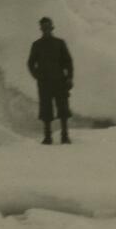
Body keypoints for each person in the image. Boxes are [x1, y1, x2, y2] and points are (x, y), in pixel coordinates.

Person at [27, 16, 74, 145]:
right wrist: (37, 76)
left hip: (60, 81)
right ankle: (47, 137)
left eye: (48, 27)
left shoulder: (60, 43)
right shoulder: (37, 45)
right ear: (41, 29)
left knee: (63, 108)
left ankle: (65, 136)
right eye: (43, 27)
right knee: (46, 109)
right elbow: (31, 63)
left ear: (52, 27)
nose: (46, 29)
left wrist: (69, 77)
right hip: (44, 83)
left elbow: (68, 62)